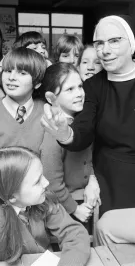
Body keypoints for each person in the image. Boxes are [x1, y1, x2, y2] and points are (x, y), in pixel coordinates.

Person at [41, 15, 135, 215]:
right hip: (111, 178)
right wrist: (67, 134)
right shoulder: (93, 86)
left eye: (114, 41)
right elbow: (84, 129)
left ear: (132, 42)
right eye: (99, 43)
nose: (105, 50)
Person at [0, 47, 58, 197]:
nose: (11, 77)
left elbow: (54, 163)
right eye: (8, 70)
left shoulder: (47, 112)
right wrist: (0, 191)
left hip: (36, 199)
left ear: (36, 83)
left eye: (22, 73)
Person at [39, 62, 100, 222]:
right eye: (70, 90)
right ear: (51, 97)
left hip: (84, 201)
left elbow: (89, 157)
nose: (79, 93)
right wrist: (75, 209)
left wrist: (92, 180)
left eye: (80, 86)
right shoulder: (54, 131)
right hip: (61, 210)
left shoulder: (82, 123)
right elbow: (52, 181)